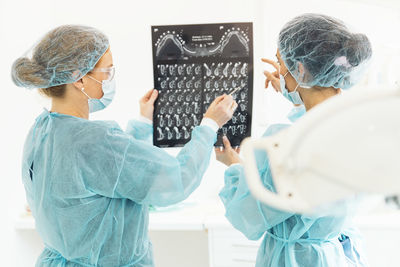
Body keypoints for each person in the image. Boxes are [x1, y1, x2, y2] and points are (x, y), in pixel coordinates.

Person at [11, 25, 237, 267]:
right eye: (106, 71)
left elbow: (111, 172)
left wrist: (142, 123)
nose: (109, 79)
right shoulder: (95, 141)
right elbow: (177, 179)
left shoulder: (41, 131)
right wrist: (209, 125)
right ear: (78, 78)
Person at [216, 13, 372, 267]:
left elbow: (247, 216)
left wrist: (234, 165)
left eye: (281, 62)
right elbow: (318, 122)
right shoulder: (357, 125)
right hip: (336, 256)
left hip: (297, 259)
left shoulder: (284, 144)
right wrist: (297, 94)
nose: (279, 70)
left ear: (300, 69)